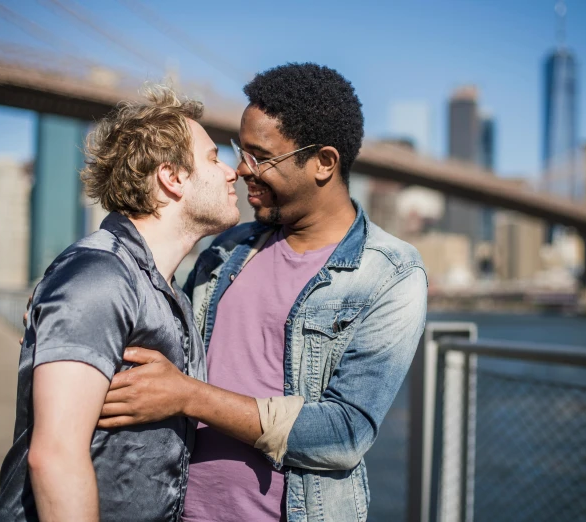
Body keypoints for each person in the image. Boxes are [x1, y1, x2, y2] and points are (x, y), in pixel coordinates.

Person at [98, 63, 428, 522]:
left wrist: (189, 397)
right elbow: (164, 339)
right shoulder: (228, 246)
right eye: (239, 151)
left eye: (260, 157)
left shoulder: (391, 273)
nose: (241, 170)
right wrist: (87, 325)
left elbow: (345, 434)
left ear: (324, 163)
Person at [0, 85, 240, 522]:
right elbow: (55, 458)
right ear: (172, 176)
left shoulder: (163, 288)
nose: (232, 172)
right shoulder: (99, 276)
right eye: (215, 158)